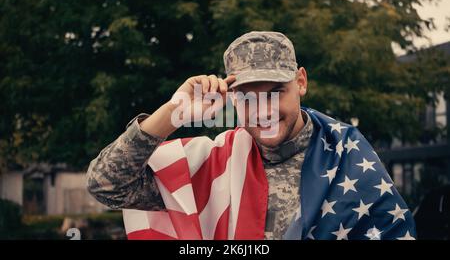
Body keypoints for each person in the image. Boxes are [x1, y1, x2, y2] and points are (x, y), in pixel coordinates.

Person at [87, 31, 416, 240]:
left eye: (275, 91)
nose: (263, 110)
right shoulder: (209, 164)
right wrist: (172, 112)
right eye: (248, 97)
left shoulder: (347, 157)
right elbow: (106, 186)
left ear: (301, 81)